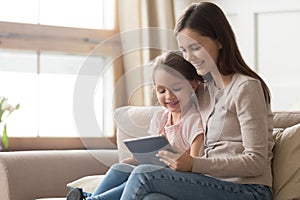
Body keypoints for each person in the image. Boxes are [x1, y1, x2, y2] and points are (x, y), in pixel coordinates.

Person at [118, 2, 274, 200]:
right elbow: (171, 101)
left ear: (220, 41)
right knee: (149, 195)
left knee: (144, 175)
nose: (189, 57)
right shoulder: (201, 90)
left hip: (249, 190)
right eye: (183, 50)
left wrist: (194, 164)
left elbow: (256, 161)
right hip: (208, 183)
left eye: (195, 48)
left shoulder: (246, 87)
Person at [66, 51, 205, 200]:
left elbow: (195, 165)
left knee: (140, 174)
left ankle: (91, 199)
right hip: (155, 170)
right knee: (120, 168)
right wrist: (135, 159)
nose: (169, 96)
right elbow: (152, 151)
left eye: (176, 89)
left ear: (193, 84)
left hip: (174, 179)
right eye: (161, 90)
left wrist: (177, 161)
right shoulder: (161, 117)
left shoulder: (193, 121)